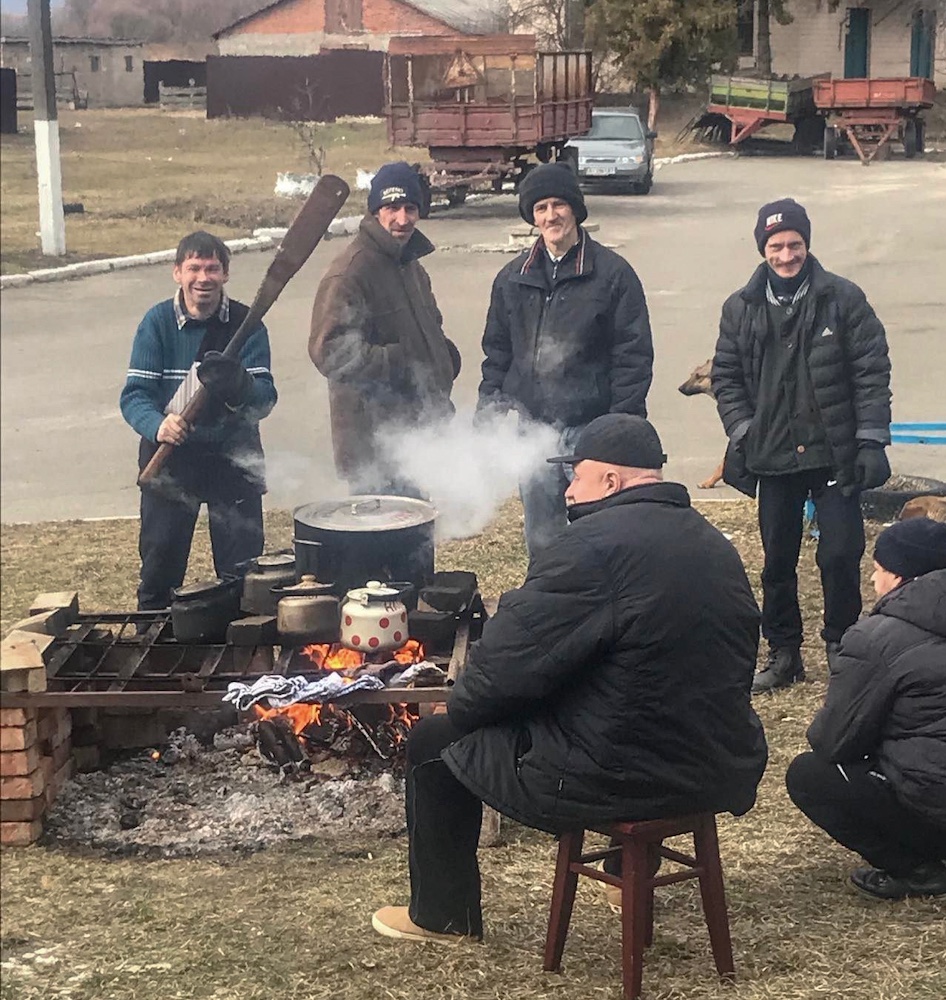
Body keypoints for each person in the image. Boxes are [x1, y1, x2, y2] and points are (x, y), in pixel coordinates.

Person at [370, 413, 768, 943]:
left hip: (622, 775)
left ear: (610, 481)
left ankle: (442, 916)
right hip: (714, 761)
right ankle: (625, 873)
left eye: (576, 475)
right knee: (623, 698)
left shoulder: (590, 550)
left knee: (433, 740)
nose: (568, 488)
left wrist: (457, 708)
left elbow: (503, 669)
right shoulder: (712, 542)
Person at [712, 198, 892, 693]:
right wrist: (742, 431)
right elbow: (725, 377)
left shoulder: (844, 299)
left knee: (839, 553)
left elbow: (872, 373)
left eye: (794, 244)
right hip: (771, 454)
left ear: (807, 244)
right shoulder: (740, 308)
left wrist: (871, 440)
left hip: (833, 452)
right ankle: (784, 652)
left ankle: (842, 645)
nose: (786, 255)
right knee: (777, 562)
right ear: (762, 250)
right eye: (776, 246)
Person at [786, 517, 946, 902]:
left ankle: (918, 872)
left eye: (878, 569)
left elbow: (833, 742)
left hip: (937, 814)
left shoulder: (875, 639)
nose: (872, 580)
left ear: (898, 577)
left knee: (809, 775)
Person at [477, 163, 654, 559]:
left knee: (599, 538)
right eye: (540, 208)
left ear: (575, 209)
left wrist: (620, 429)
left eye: (559, 205)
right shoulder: (511, 278)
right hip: (532, 434)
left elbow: (633, 357)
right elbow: (497, 352)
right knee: (543, 541)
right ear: (531, 217)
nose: (550, 215)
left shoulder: (613, 275)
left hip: (589, 432)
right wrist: (488, 411)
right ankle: (550, 612)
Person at [120, 230, 276, 611]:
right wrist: (158, 425)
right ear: (177, 273)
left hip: (233, 458)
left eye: (212, 268)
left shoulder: (248, 324)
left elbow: (264, 400)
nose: (202, 278)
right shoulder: (156, 323)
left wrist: (239, 387)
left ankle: (246, 655)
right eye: (194, 268)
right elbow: (135, 395)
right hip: (171, 459)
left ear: (225, 274)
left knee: (244, 576)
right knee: (160, 568)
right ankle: (154, 646)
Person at [309, 162, 461, 495]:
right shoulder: (350, 272)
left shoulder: (410, 266)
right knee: (381, 543)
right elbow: (329, 351)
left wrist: (442, 358)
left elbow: (428, 328)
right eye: (392, 208)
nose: (402, 219)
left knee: (419, 541)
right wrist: (398, 361)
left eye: (410, 208)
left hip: (419, 436)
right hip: (374, 448)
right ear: (376, 211)